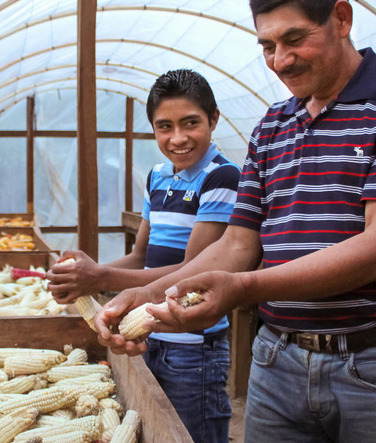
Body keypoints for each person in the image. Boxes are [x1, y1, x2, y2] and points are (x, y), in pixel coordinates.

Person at [96, 0, 376, 443]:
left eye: (294, 39)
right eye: (267, 46)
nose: (279, 61)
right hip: (276, 362)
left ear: (342, 19)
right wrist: (147, 294)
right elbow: (236, 246)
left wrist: (243, 288)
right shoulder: (273, 124)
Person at [46, 69, 241, 443]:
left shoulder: (222, 177)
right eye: (164, 126)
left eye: (190, 123)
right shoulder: (157, 177)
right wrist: (90, 271)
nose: (177, 138)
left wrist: (99, 278)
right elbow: (141, 256)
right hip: (150, 332)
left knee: (190, 434)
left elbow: (190, 274)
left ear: (213, 119)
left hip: (193, 347)